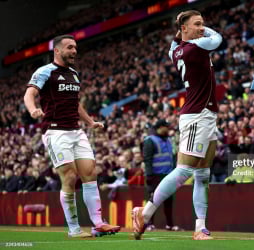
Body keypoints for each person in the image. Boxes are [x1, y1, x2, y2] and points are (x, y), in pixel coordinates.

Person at [132, 10, 222, 240]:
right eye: (198, 24)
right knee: (184, 170)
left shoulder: (177, 50)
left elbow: (174, 44)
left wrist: (182, 31)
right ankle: (146, 212)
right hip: (197, 115)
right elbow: (218, 38)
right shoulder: (195, 48)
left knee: (203, 173)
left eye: (203, 24)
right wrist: (200, 32)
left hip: (207, 114)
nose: (203, 28)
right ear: (184, 28)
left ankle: (200, 227)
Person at [23, 34, 120, 238]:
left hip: (77, 131)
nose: (74, 51)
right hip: (56, 132)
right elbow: (29, 93)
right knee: (69, 176)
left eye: (75, 47)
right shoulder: (45, 71)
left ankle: (98, 224)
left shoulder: (74, 74)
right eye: (69, 47)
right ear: (57, 50)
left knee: (90, 173)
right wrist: (33, 109)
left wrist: (90, 122)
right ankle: (74, 229)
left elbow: (75, 104)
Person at [143, 119, 181, 231]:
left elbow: (172, 157)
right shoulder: (150, 140)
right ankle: (149, 224)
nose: (168, 129)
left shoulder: (169, 140)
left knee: (169, 200)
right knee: (153, 199)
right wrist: (149, 176)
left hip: (168, 175)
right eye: (166, 127)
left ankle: (170, 225)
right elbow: (147, 160)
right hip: (155, 175)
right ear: (160, 127)